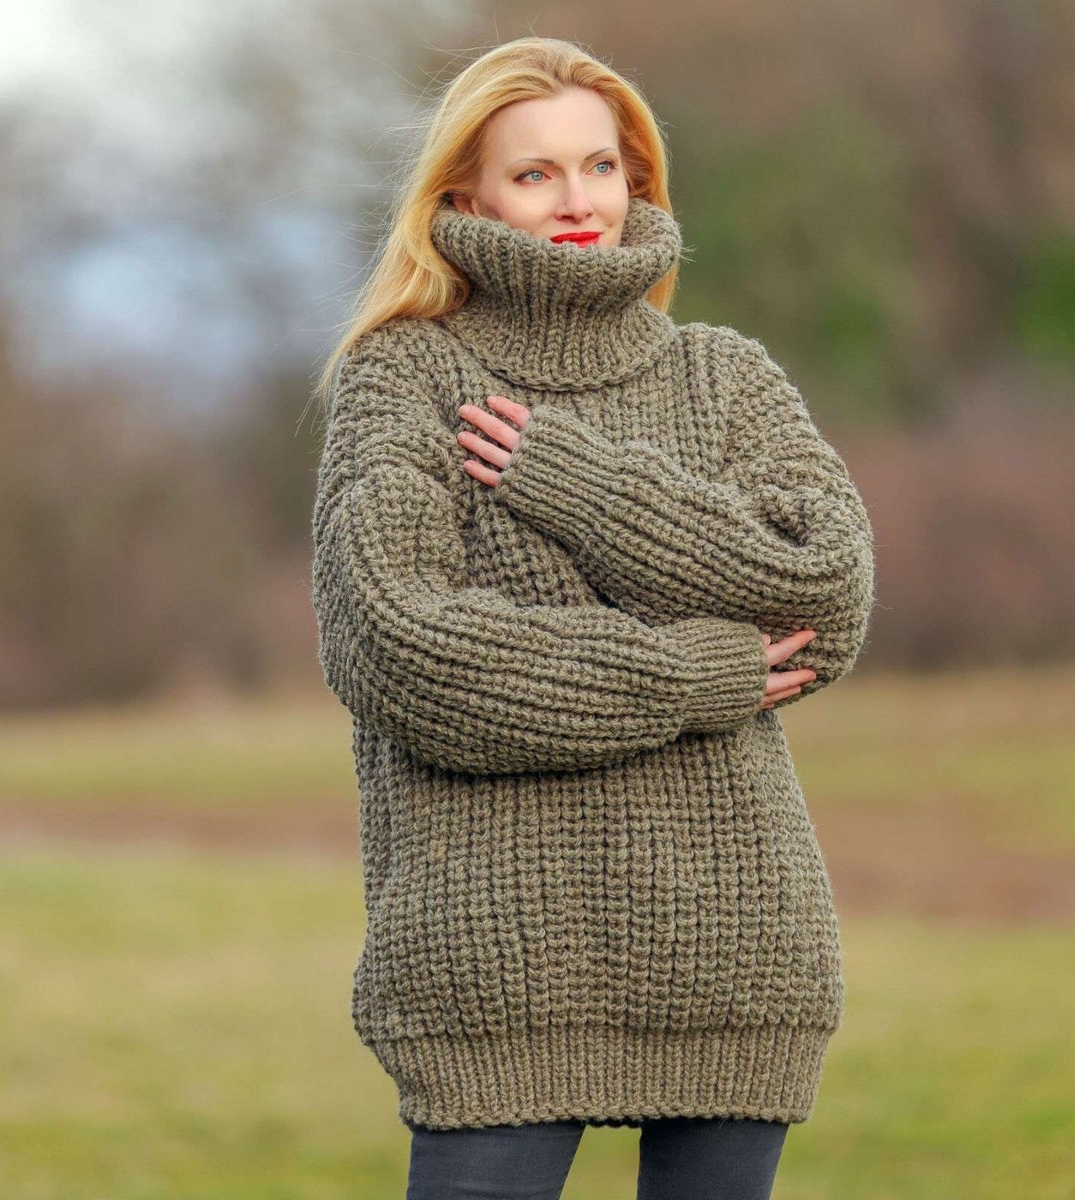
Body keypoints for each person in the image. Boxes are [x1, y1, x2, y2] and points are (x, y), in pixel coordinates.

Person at [310, 35, 877, 1200]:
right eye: (536, 174)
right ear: (465, 200)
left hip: (736, 952)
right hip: (494, 970)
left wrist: (585, 486)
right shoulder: (405, 377)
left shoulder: (724, 376)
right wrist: (692, 676)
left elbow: (823, 592)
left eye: (602, 166)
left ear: (636, 180)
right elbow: (406, 648)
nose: (579, 202)